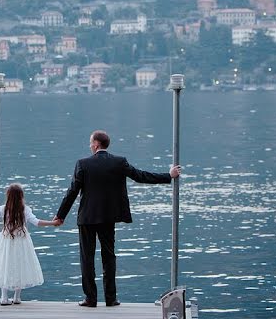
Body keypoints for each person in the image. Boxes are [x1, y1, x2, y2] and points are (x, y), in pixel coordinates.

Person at [54, 130, 181, 308]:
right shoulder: (119, 162)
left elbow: (72, 192)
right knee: (109, 257)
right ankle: (111, 299)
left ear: (96, 144)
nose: (90, 146)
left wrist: (60, 216)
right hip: (108, 217)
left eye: (91, 143)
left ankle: (90, 299)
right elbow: (141, 176)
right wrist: (168, 176)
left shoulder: (82, 164)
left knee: (87, 258)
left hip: (87, 218)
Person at [0, 183, 60, 305]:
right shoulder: (25, 209)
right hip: (22, 240)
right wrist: (53, 223)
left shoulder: (2, 209)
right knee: (20, 264)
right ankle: (17, 297)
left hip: (6, 240)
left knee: (5, 264)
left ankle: (4, 297)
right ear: (21, 196)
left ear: (8, 196)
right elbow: (37, 222)